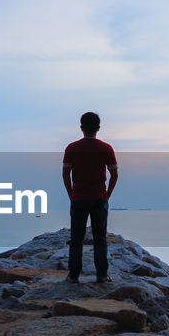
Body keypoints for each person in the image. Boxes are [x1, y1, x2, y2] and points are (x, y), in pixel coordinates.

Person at [62, 111, 118, 284]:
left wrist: (71, 194)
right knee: (100, 237)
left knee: (76, 237)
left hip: (78, 198)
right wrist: (107, 195)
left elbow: (65, 174)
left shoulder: (72, 148)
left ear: (81, 128)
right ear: (98, 128)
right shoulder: (106, 148)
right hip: (99, 198)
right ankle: (101, 274)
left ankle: (73, 275)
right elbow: (114, 174)